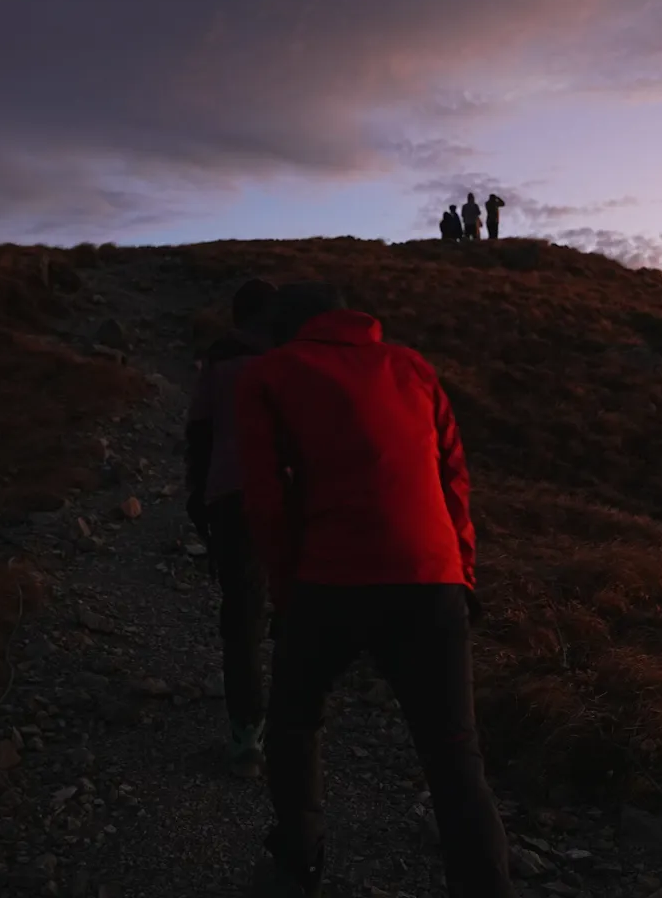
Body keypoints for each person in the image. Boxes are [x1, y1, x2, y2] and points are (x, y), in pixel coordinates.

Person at [236, 283, 513, 898]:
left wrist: (286, 592)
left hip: (330, 578)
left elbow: (265, 501)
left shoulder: (270, 372)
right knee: (454, 754)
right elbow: (453, 479)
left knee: (294, 720)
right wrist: (462, 574)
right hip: (431, 580)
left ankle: (297, 861)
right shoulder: (412, 367)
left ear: (288, 327)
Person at [183, 277, 278, 778]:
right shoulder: (293, 361)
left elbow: (198, 432)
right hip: (290, 496)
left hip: (232, 499)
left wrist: (196, 497)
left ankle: (247, 735)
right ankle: (298, 723)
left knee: (241, 615)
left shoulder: (219, 363)